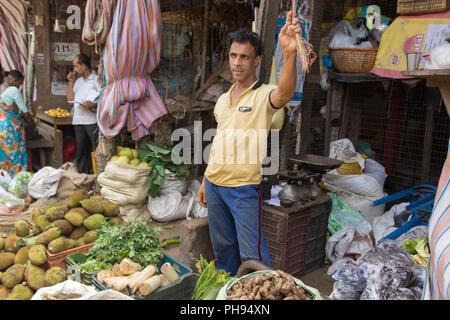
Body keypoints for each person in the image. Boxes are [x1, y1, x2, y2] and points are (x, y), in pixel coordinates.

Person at [196, 11, 302, 275]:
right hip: (215, 186)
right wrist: (204, 180)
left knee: (253, 256)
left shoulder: (263, 96)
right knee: (223, 250)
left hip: (243, 189)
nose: (237, 62)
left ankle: (263, 296)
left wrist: (289, 54)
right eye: (233, 56)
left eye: (244, 57)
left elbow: (285, 92)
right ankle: (230, 295)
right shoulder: (222, 99)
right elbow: (220, 141)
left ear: (256, 61)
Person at [67, 53, 101, 174]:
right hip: (78, 120)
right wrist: (71, 83)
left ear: (84, 66)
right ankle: (83, 175)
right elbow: (70, 99)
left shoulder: (96, 80)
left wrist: (92, 104)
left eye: (76, 66)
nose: (74, 70)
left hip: (91, 121)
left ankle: (97, 174)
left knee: (95, 148)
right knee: (81, 150)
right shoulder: (78, 81)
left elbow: (102, 100)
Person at [0, 70, 30, 176]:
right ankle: (15, 176)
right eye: (20, 84)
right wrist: (32, 124)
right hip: (9, 128)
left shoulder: (2, 87)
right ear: (15, 81)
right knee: (15, 153)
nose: (19, 87)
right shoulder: (13, 89)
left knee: (4, 155)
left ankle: (4, 177)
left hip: (1, 127)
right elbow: (24, 110)